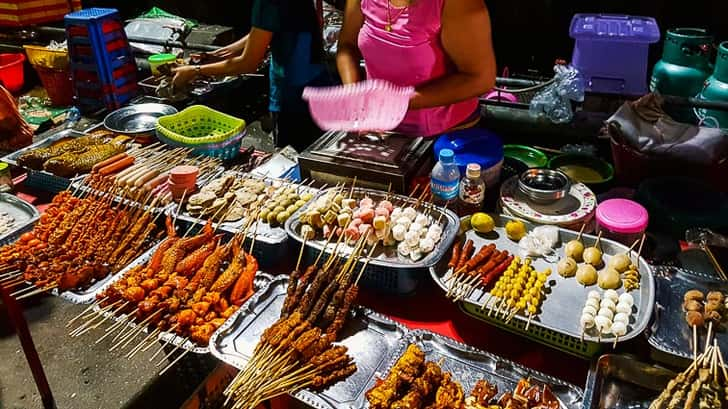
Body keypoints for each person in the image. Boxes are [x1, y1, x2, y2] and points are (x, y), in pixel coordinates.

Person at [172, 0, 331, 152]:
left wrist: (195, 70)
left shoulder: (267, 3)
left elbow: (248, 63)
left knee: (292, 158)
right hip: (320, 86)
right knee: (316, 153)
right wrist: (229, 51)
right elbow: (269, 26)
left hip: (292, 98)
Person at [336, 0, 496, 137]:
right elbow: (346, 45)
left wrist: (395, 102)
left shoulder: (456, 4)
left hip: (446, 135)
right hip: (380, 128)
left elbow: (479, 79)